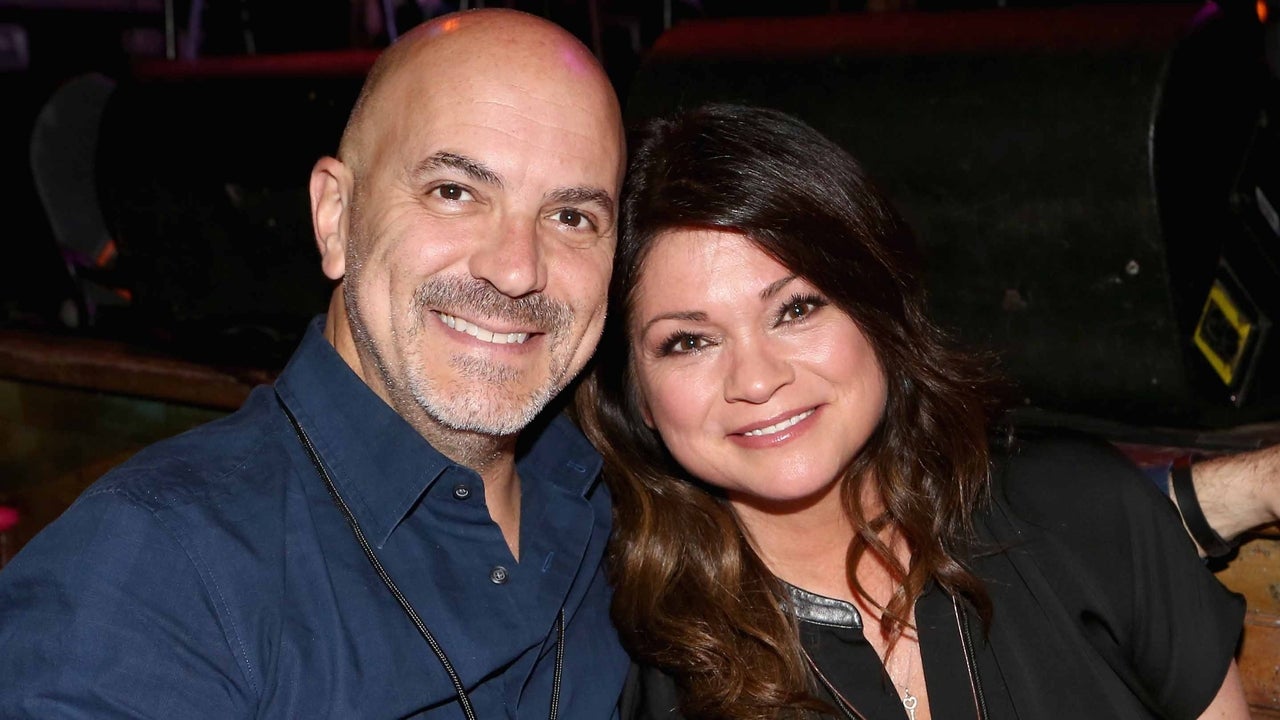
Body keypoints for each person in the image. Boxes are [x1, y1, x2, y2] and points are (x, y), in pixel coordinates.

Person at [0, 9, 630, 718]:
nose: (516, 269)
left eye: (572, 217)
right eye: (454, 192)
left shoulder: (633, 508)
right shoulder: (155, 573)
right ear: (335, 217)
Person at [575, 103, 1251, 719]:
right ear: (636, 394)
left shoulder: (1083, 510)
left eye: (796, 308)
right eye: (689, 342)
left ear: (877, 307)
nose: (756, 379)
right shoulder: (622, 664)